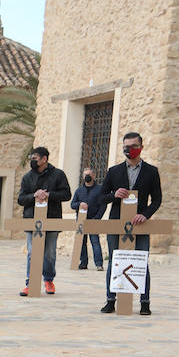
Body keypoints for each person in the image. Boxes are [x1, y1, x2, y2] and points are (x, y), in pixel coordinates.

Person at [99, 131, 161, 315]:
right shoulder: (114, 171)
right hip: (117, 224)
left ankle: (145, 302)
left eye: (133, 146)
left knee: (142, 261)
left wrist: (145, 215)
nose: (129, 150)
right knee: (114, 261)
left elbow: (157, 200)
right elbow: (101, 197)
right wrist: (113, 195)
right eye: (126, 146)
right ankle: (110, 300)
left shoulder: (151, 171)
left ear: (141, 147)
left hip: (140, 224)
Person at [16, 146, 72, 296]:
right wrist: (34, 195)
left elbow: (67, 194)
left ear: (44, 159)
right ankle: (30, 283)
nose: (32, 161)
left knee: (49, 253)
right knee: (32, 252)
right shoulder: (27, 177)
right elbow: (21, 199)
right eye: (31, 159)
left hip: (52, 220)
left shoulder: (58, 175)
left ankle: (48, 280)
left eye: (34, 159)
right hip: (32, 220)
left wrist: (49, 195)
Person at [70, 166, 105, 270]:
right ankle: (83, 263)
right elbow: (72, 204)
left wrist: (97, 218)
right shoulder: (79, 190)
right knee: (81, 242)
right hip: (81, 221)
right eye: (85, 175)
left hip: (93, 220)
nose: (87, 177)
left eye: (89, 175)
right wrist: (80, 204)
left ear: (94, 176)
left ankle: (99, 264)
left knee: (95, 242)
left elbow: (103, 205)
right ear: (83, 177)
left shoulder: (100, 190)